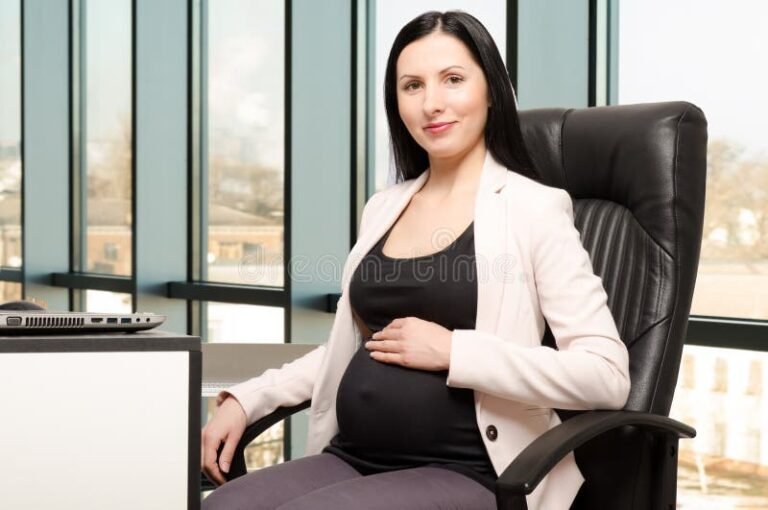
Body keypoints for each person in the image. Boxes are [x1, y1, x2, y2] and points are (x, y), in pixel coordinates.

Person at [201, 10, 630, 510]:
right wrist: (249, 399)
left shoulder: (533, 209)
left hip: (472, 468)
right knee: (221, 506)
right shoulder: (384, 206)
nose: (432, 104)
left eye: (452, 79)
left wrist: (454, 351)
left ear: (490, 89)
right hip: (354, 456)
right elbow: (355, 347)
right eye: (412, 86)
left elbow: (606, 375)